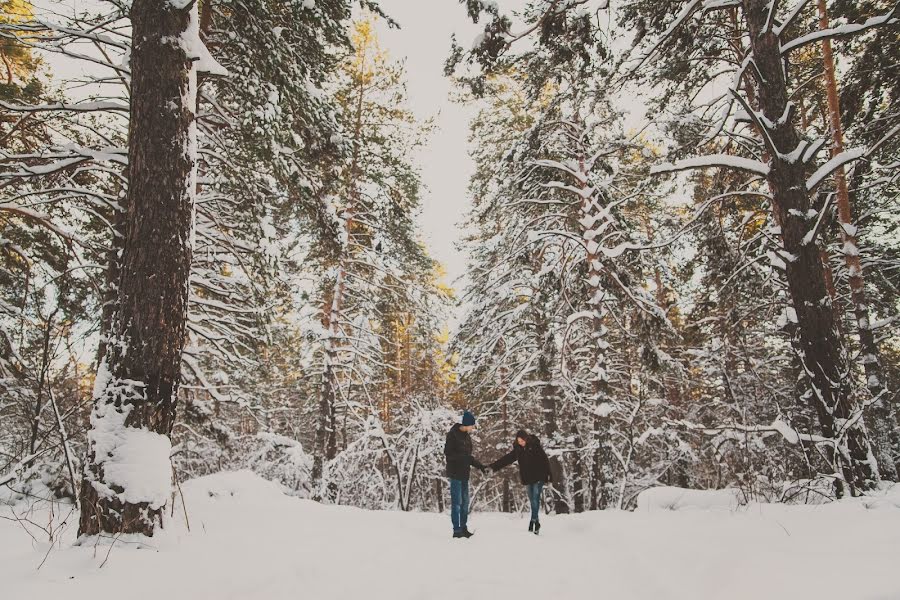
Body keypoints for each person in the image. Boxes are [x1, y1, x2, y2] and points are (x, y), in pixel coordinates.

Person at [489, 429, 552, 535]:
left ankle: (533, 522)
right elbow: (506, 459)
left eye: (522, 440)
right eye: (519, 441)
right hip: (527, 479)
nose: (521, 442)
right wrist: (492, 467)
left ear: (526, 439)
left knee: (535, 498)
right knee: (532, 500)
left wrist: (550, 477)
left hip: (539, 476)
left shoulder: (535, 446)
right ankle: (536, 521)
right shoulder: (518, 450)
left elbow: (545, 460)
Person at [444, 410, 488, 539]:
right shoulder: (453, 435)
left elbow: (469, 458)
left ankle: (463, 528)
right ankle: (456, 530)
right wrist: (461, 458)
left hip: (465, 474)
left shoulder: (467, 437)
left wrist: (481, 467)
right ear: (466, 424)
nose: (473, 428)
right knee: (456, 503)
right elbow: (448, 453)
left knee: (465, 503)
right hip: (455, 473)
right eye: (472, 425)